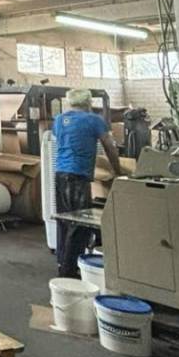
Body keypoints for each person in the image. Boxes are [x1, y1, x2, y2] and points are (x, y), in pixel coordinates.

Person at [53, 88, 122, 277]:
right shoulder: (94, 120)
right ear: (89, 102)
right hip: (78, 175)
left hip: (60, 173)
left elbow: (62, 141)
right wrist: (117, 171)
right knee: (79, 222)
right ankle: (69, 271)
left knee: (64, 220)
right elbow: (109, 146)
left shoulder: (59, 120)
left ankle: (62, 263)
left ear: (69, 102)